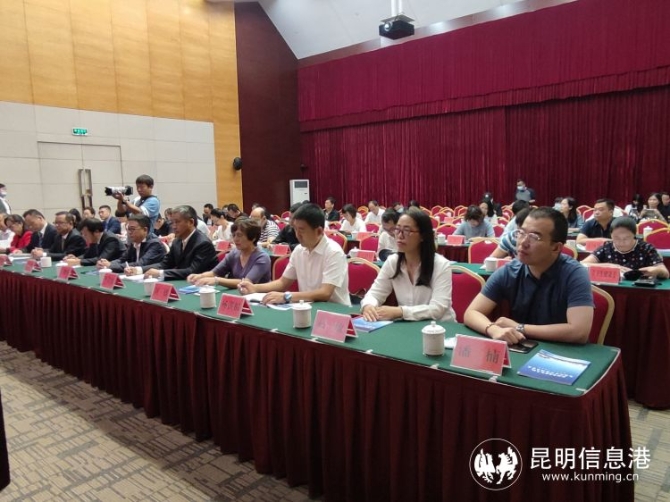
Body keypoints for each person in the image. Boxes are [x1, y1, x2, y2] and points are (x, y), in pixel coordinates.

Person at [464, 207, 593, 344]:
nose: (523, 242)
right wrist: (492, 329)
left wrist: (520, 328)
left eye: (534, 237)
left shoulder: (575, 274)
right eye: (521, 233)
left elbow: (579, 332)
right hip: (521, 347)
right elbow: (471, 313)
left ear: (556, 247)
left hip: (562, 350)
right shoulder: (509, 271)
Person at [238, 203, 350, 306]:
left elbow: (325, 293)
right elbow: (283, 283)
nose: (297, 235)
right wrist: (254, 288)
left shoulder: (334, 252)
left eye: (301, 230)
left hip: (335, 311)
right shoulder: (299, 250)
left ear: (319, 231)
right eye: (295, 229)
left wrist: (287, 296)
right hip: (309, 307)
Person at [360, 209, 455, 322]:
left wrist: (401, 312)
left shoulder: (440, 265)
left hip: (440, 326)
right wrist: (368, 306)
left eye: (406, 230)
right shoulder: (393, 262)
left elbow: (437, 309)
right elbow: (375, 293)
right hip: (409, 325)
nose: (399, 236)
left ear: (423, 236)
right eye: (397, 229)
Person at [139, 205, 218, 280]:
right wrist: (139, 270)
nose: (173, 226)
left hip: (204, 285)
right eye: (172, 222)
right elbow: (165, 264)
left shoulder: (203, 243)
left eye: (177, 222)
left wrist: (160, 273)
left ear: (191, 222)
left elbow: (193, 271)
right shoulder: (177, 241)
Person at [188, 218, 271, 287]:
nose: (235, 239)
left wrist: (217, 280)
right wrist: (200, 276)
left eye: (239, 235)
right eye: (233, 235)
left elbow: (246, 283)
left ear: (253, 238)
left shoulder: (262, 258)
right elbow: (215, 272)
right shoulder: (234, 253)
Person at [581, 216, 669, 279]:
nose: (621, 242)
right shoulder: (607, 247)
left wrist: (657, 271)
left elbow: (665, 273)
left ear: (634, 235)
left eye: (626, 238)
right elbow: (582, 264)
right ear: (610, 235)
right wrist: (608, 266)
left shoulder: (646, 248)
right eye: (616, 238)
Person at [99, 215, 166, 273]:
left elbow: (140, 264)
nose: (129, 232)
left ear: (145, 230)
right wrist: (108, 263)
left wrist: (111, 266)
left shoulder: (155, 244)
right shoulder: (134, 242)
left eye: (132, 229)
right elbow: (122, 259)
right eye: (128, 229)